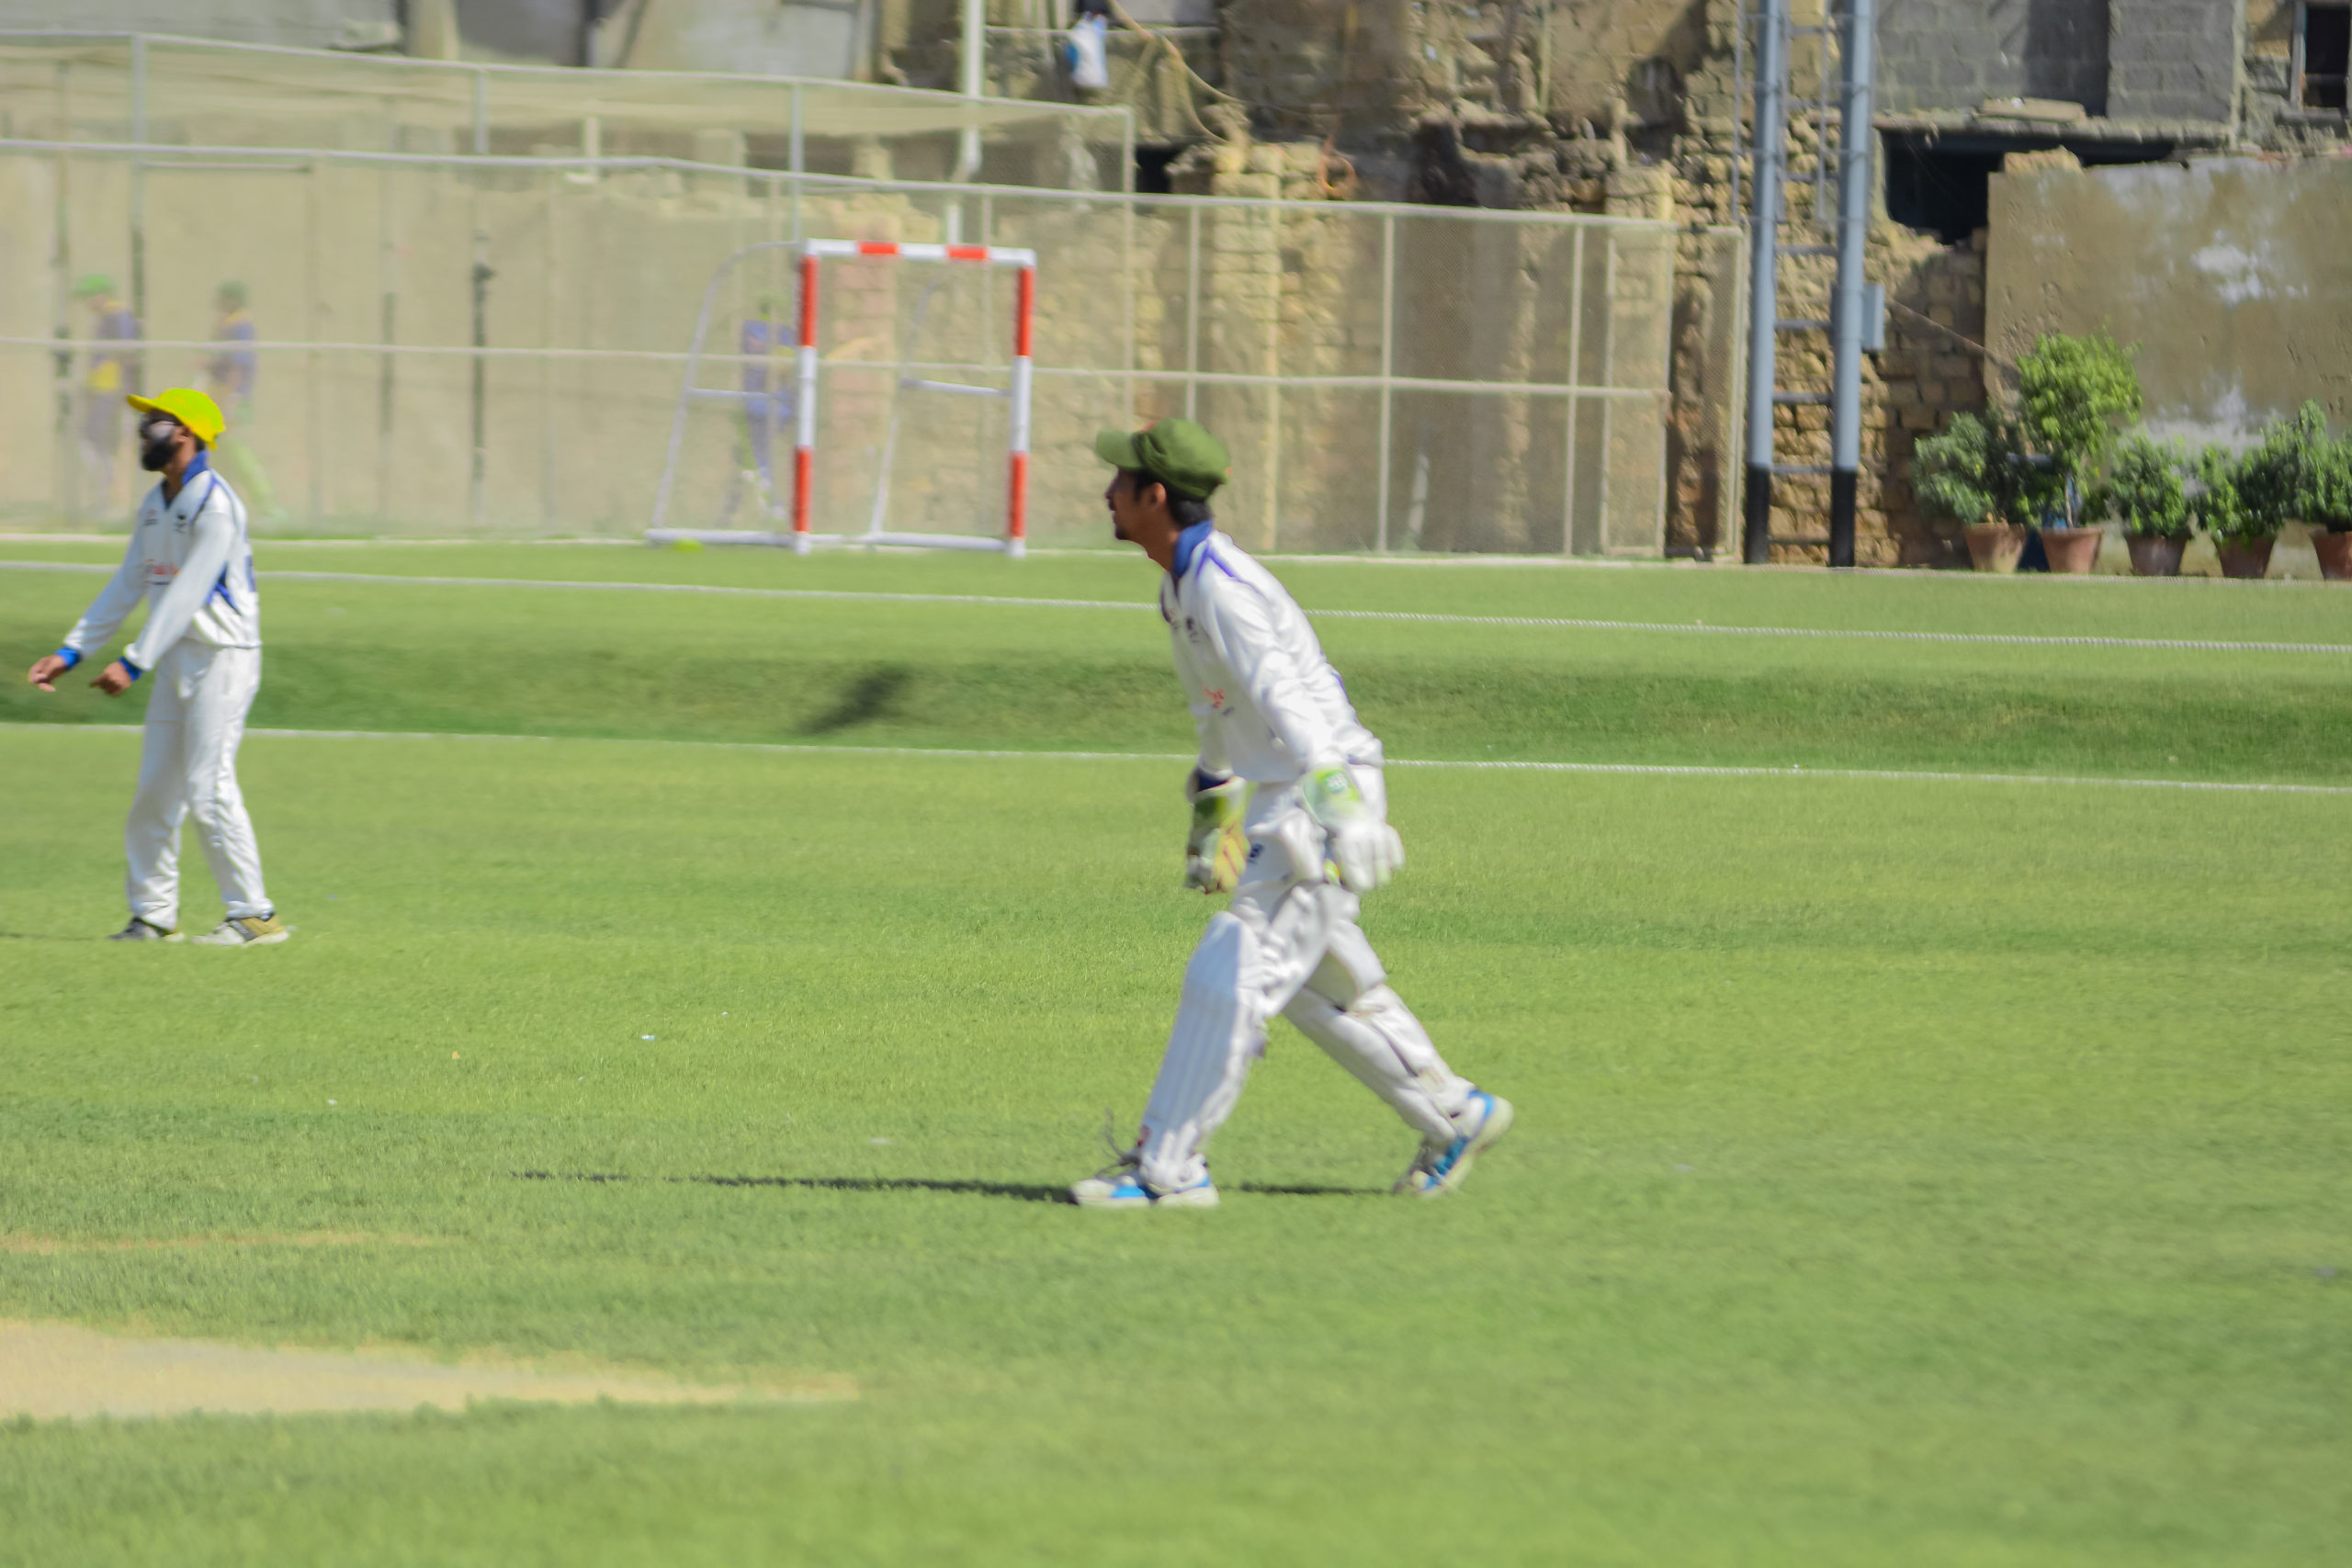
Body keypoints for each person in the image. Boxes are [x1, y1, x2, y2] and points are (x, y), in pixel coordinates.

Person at [1073, 418, 1511, 1209]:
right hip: (1290, 795)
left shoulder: (1222, 587)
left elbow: (1289, 700)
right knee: (1322, 990)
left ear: (1155, 496)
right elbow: (1216, 710)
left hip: (1319, 792)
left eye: (1120, 481)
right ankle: (1454, 1112)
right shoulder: (1179, 586)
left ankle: (1170, 1170)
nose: (1107, 493)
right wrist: (1214, 819)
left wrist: (1348, 815)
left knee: (1233, 969)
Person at [25, 388, 288, 947]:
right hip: (174, 655)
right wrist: (71, 652)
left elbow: (189, 593)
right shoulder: (154, 502)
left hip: (223, 658)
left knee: (208, 787)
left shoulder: (216, 505)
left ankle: (254, 916)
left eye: (155, 423)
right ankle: (154, 916)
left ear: (186, 433)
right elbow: (130, 581)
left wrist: (133, 661)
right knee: (155, 790)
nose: (143, 433)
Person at [204, 280, 284, 525]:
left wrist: (233, 396)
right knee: (221, 453)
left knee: (239, 451)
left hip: (232, 398)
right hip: (220, 396)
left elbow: (237, 365)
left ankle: (269, 508)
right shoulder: (226, 325)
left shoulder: (240, 326)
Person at [717, 293, 795, 525]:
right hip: (764, 408)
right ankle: (735, 514)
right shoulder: (780, 333)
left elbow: (783, 370)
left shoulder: (756, 331)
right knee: (751, 460)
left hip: (765, 407)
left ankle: (766, 511)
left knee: (754, 460)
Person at [73, 275, 141, 516]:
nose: (87, 303)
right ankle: (104, 499)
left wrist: (122, 388)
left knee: (98, 442)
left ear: (101, 295)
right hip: (102, 389)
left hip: (110, 390)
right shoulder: (107, 318)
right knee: (94, 443)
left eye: (89, 297)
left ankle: (111, 500)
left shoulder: (117, 316)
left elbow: (127, 354)